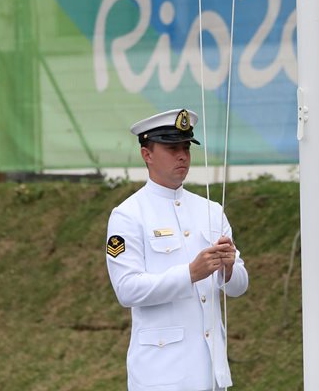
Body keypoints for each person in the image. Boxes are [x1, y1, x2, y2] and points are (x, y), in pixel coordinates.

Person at [104, 109, 248, 391]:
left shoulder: (211, 210)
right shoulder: (128, 215)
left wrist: (229, 269)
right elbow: (127, 290)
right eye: (172, 149)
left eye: (186, 148)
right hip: (160, 376)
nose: (182, 156)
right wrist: (190, 273)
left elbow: (239, 287)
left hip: (212, 374)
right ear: (147, 154)